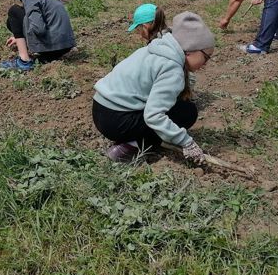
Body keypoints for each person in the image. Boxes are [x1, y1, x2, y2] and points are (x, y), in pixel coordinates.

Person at [92, 12, 215, 163]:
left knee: (181, 106)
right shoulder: (172, 69)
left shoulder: (157, 48)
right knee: (186, 113)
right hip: (116, 121)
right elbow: (153, 116)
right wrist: (186, 142)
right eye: (206, 57)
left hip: (101, 109)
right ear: (190, 51)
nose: (206, 64)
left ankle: (141, 138)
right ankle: (129, 147)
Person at [0, 0, 75, 71]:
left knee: (14, 11)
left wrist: (26, 37)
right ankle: (36, 54)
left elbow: (39, 29)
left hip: (53, 47)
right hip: (64, 45)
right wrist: (19, 37)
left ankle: (24, 61)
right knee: (13, 21)